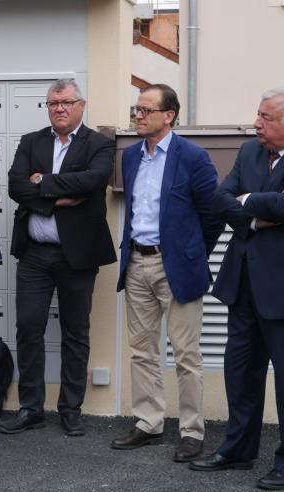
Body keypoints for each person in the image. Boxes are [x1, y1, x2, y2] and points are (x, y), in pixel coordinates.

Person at [189, 86, 284, 490]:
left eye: (265, 117)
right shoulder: (249, 151)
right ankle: (238, 450)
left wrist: (250, 197)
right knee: (240, 373)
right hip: (245, 282)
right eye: (257, 114)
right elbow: (220, 199)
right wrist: (257, 215)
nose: (256, 123)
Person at [110, 84, 223, 462]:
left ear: (168, 115)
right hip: (137, 263)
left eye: (145, 110)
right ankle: (148, 422)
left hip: (176, 265)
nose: (137, 116)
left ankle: (192, 431)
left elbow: (211, 216)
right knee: (141, 351)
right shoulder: (129, 156)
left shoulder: (192, 156)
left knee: (186, 354)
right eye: (135, 110)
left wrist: (191, 255)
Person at [1, 78, 116, 437]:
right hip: (35, 255)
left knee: (75, 333)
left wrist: (43, 183)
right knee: (29, 329)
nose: (60, 109)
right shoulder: (31, 141)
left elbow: (93, 181)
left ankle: (70, 409)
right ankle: (31, 408)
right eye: (53, 103)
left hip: (77, 255)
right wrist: (58, 194)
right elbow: (15, 186)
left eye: (66, 102)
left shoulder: (99, 144)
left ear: (81, 105)